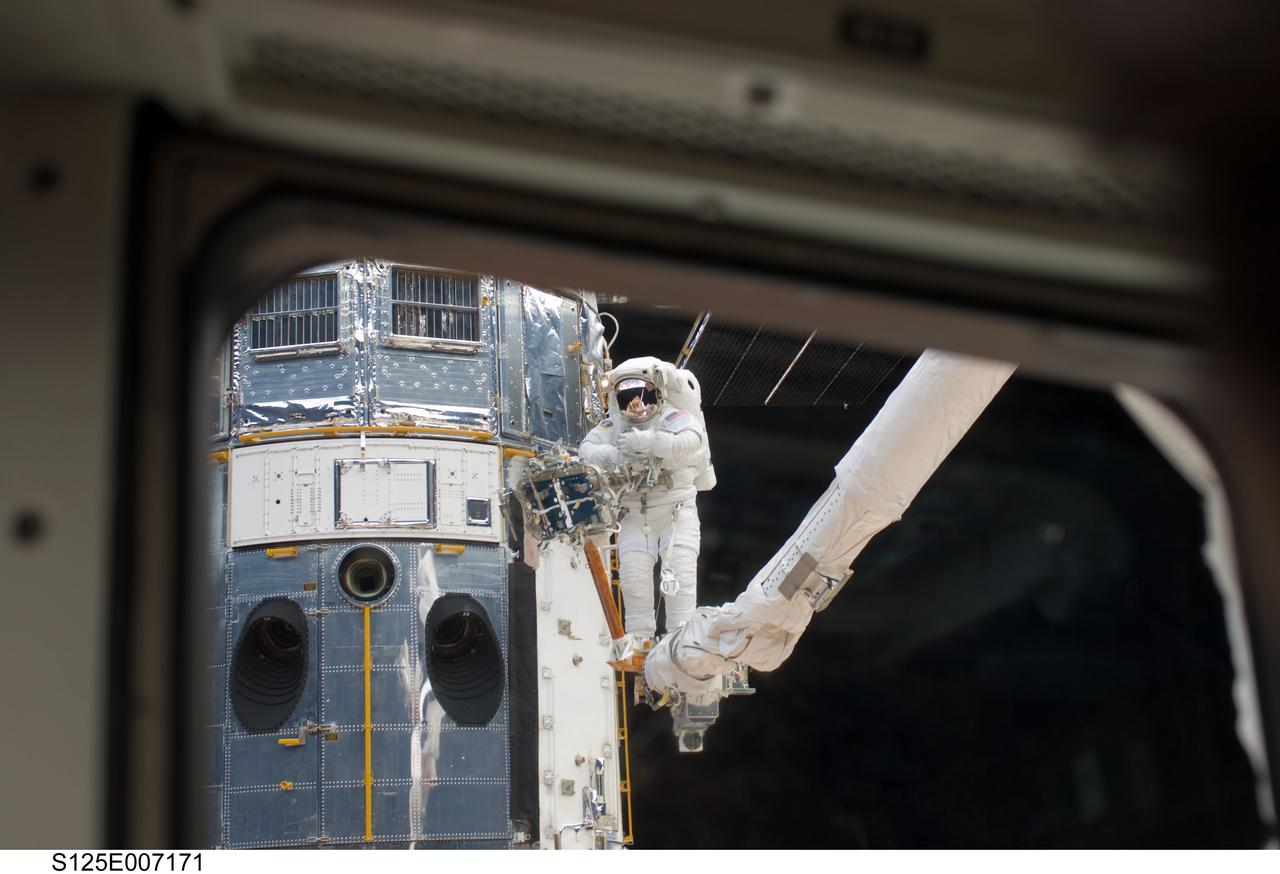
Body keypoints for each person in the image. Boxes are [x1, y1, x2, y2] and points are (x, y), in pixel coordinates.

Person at [579, 356, 713, 643]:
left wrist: (652, 442)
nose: (634, 402)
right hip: (634, 516)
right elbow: (587, 450)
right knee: (634, 582)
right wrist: (615, 455)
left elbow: (693, 440)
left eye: (639, 393)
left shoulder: (673, 418)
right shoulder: (613, 426)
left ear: (657, 392)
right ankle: (640, 640)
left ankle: (680, 640)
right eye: (625, 395)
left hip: (675, 512)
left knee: (679, 575)